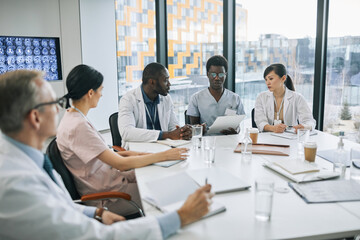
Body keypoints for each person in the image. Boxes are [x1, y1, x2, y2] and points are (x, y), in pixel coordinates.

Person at [0, 70, 213, 240]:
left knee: (166, 186)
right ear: (35, 117)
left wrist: (95, 214)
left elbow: (60, 207)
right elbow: (99, 235)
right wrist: (180, 217)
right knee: (168, 200)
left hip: (105, 192)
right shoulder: (15, 184)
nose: (59, 110)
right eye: (54, 104)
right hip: (107, 193)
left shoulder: (32, 160)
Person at [57, 64, 189, 216]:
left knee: (163, 177)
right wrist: (164, 156)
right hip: (108, 197)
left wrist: (143, 155)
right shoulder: (77, 126)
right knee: (169, 190)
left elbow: (109, 155)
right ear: (90, 93)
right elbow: (119, 163)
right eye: (101, 90)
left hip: (112, 181)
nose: (102, 95)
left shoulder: (75, 118)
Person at [118, 62, 192, 148]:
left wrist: (182, 132)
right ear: (152, 82)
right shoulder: (128, 99)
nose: (169, 84)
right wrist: (166, 135)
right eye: (165, 80)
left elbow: (173, 127)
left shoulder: (166, 99)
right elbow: (127, 132)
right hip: (138, 150)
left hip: (163, 147)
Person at [186, 55, 245, 134]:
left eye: (221, 75)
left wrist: (236, 131)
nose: (217, 78)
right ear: (208, 74)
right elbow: (193, 127)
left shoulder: (235, 98)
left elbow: (238, 126)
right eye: (213, 74)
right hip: (206, 142)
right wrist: (200, 129)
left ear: (225, 75)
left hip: (228, 140)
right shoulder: (196, 98)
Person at [255, 63, 316, 133]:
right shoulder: (261, 97)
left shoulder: (297, 98)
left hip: (290, 138)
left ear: (283, 78)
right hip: (268, 137)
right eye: (266, 80)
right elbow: (260, 122)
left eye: (271, 79)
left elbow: (309, 121)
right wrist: (273, 128)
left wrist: (304, 127)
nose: (267, 83)